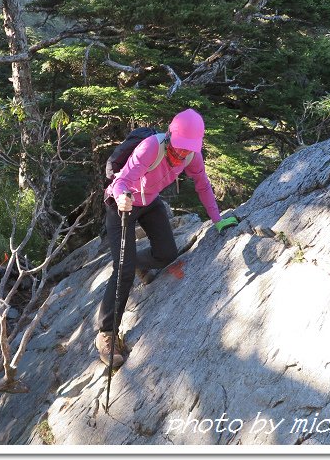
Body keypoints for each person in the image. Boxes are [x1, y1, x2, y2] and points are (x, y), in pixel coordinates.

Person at [95, 108, 238, 367]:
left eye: (189, 147)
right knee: (122, 269)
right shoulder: (151, 147)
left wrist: (217, 220)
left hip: (149, 202)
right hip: (122, 205)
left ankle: (137, 262)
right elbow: (121, 181)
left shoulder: (191, 156)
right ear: (170, 134)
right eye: (181, 146)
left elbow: (202, 184)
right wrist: (122, 197)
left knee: (167, 255)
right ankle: (106, 333)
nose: (183, 152)